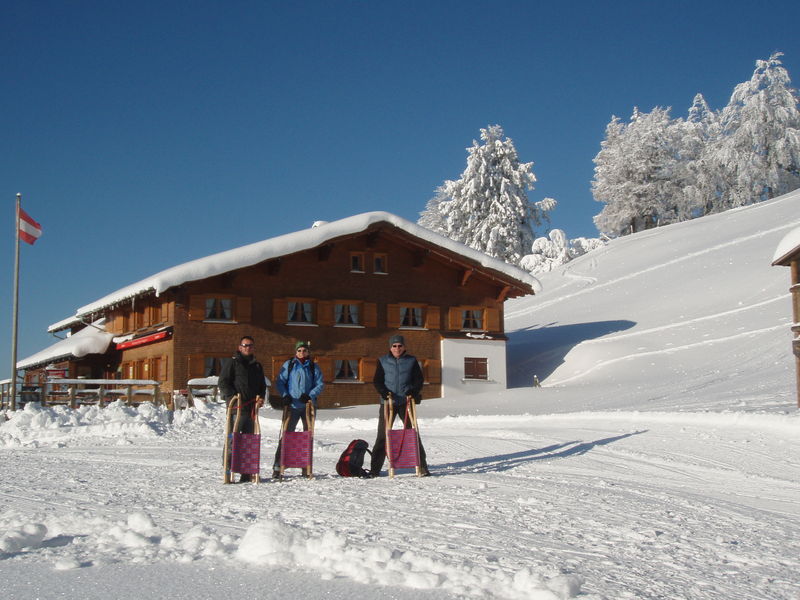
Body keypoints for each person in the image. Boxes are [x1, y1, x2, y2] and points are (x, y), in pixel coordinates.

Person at [370, 334, 430, 477]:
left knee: (413, 433)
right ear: (390, 348)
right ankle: (375, 469)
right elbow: (377, 380)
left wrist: (413, 391)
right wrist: (383, 392)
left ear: (404, 347)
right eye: (394, 346)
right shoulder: (382, 361)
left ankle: (422, 467)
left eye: (400, 346)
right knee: (383, 435)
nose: (397, 348)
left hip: (405, 401)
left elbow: (418, 379)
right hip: (388, 401)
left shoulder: (411, 361)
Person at [219, 335, 267, 483]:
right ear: (240, 347)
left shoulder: (257, 366)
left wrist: (261, 397)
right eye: (245, 345)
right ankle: (227, 470)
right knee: (233, 440)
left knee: (249, 440)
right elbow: (223, 382)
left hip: (251, 409)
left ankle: (246, 473)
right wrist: (232, 397)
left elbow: (262, 385)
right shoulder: (233, 363)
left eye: (250, 345)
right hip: (237, 408)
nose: (248, 348)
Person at [273, 340, 324, 477]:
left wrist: (310, 395)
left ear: (308, 352)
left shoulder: (313, 367)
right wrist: (285, 396)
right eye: (299, 350)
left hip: (308, 406)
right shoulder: (289, 365)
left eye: (305, 350)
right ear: (296, 352)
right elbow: (280, 381)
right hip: (292, 405)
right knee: (286, 435)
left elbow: (319, 384)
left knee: (308, 436)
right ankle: (278, 466)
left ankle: (305, 466)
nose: (302, 353)